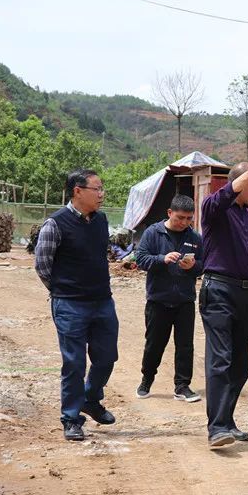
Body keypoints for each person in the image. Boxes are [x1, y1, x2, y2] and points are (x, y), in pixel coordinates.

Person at [35, 169, 119, 442]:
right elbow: (42, 265)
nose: (102, 194)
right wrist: (62, 291)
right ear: (78, 191)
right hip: (70, 305)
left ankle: (91, 399)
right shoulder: (55, 224)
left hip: (102, 301)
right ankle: (71, 418)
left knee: (106, 357)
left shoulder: (101, 220)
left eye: (102, 188)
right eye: (97, 189)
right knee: (74, 363)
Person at [199, 153, 248, 449]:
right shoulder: (215, 209)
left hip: (245, 292)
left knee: (241, 365)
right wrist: (243, 178)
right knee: (221, 359)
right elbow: (221, 199)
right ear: (240, 184)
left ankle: (227, 420)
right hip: (219, 290)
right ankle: (216, 428)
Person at [134, 194, 204, 403]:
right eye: (180, 217)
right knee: (154, 344)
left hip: (184, 301)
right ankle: (147, 378)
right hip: (158, 300)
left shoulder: (194, 238)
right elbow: (141, 259)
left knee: (185, 346)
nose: (184, 222)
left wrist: (193, 267)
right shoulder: (153, 233)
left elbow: (203, 266)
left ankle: (182, 386)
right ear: (170, 213)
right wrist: (161, 259)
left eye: (188, 218)